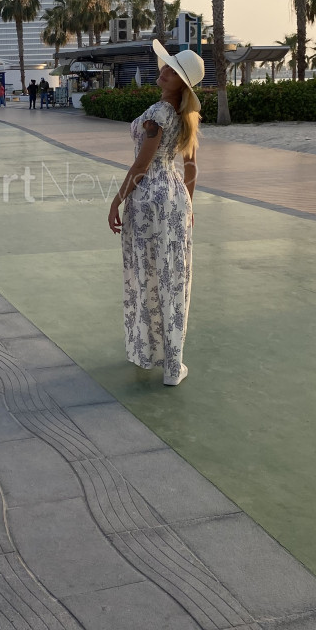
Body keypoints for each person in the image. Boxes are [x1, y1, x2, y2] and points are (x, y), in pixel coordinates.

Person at [108, 40, 204, 387]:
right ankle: (172, 364)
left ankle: (148, 351)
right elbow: (190, 167)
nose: (164, 72)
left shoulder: (158, 114)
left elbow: (141, 165)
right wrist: (188, 204)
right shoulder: (186, 117)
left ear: (182, 84)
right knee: (172, 275)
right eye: (167, 66)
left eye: (173, 72)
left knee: (146, 272)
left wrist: (116, 201)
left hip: (149, 199)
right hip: (174, 199)